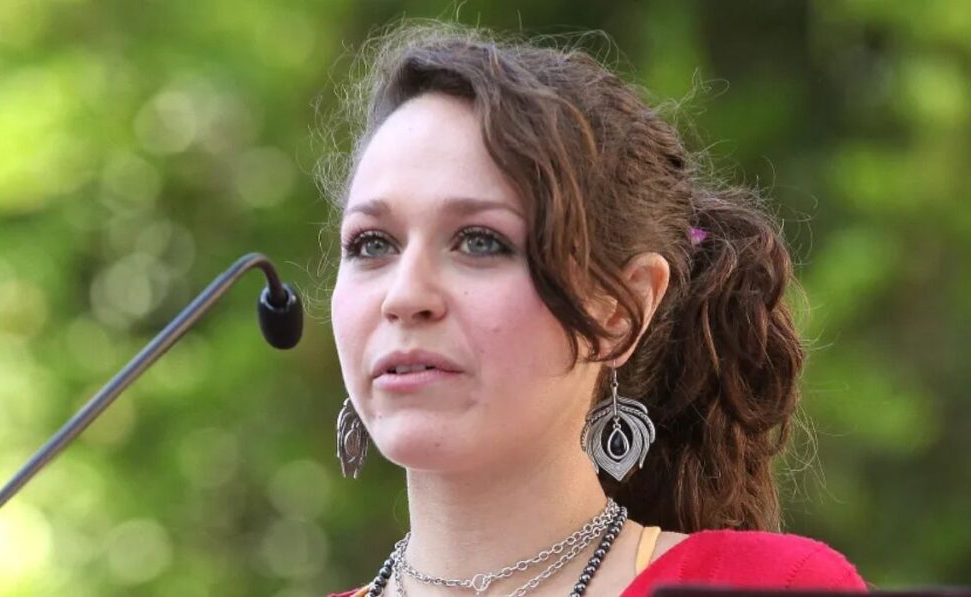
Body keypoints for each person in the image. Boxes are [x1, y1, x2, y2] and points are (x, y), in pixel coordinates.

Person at [322, 20, 867, 597]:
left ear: (620, 311)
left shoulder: (772, 586)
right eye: (371, 244)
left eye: (480, 241)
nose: (404, 296)